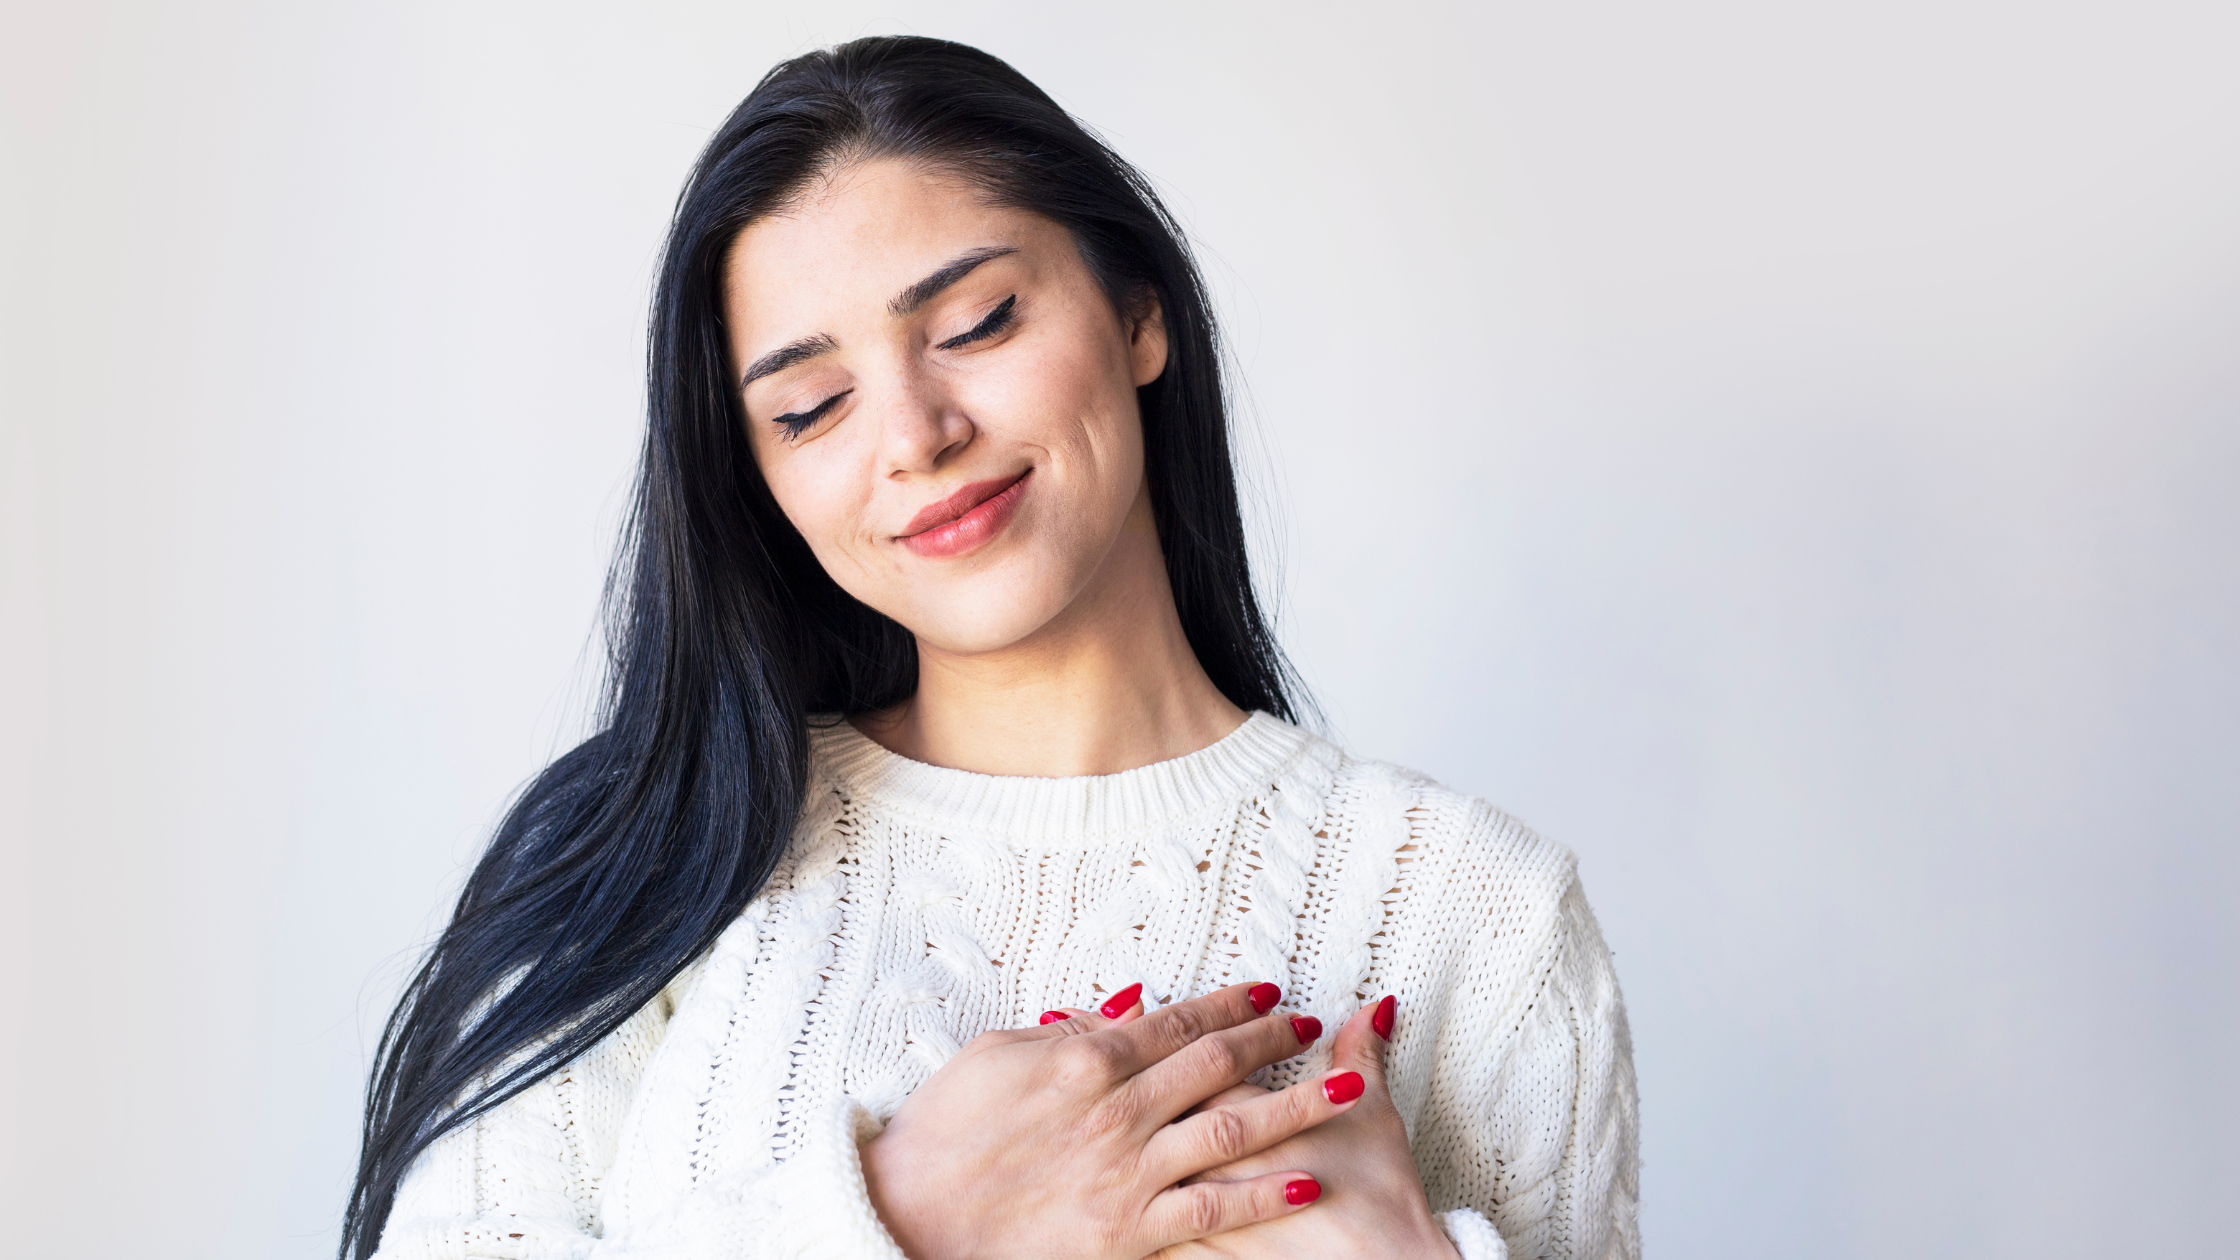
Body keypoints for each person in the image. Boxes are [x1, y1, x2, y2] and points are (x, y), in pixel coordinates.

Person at [344, 35, 1638, 1260]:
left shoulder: (1482, 919)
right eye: (812, 406)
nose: (912, 432)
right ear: (758, 485)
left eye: (976, 323)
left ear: (1138, 315)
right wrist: (905, 1215)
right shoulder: (637, 867)